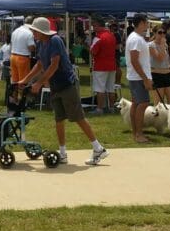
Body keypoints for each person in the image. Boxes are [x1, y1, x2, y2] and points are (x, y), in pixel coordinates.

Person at [21, 18, 109, 165]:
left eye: (34, 31)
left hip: (67, 85)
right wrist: (25, 79)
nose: (32, 33)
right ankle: (62, 153)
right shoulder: (40, 43)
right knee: (59, 119)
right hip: (56, 86)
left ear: (42, 31)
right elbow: (40, 63)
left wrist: (39, 83)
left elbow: (54, 65)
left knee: (78, 117)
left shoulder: (55, 41)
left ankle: (99, 148)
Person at [125, 14, 153, 143]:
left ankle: (136, 133)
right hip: (138, 77)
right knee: (143, 104)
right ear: (141, 23)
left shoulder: (136, 38)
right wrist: (145, 78)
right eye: (146, 22)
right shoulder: (136, 39)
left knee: (136, 104)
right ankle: (138, 134)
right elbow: (134, 60)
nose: (147, 25)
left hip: (136, 76)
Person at [88, 17, 117, 113]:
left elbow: (93, 51)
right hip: (112, 65)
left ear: (99, 26)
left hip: (100, 65)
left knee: (99, 88)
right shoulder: (111, 36)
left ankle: (99, 108)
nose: (93, 28)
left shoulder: (98, 37)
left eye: (94, 26)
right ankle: (112, 108)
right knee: (111, 88)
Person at [149, 27, 170, 104]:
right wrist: (162, 45)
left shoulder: (165, 45)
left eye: (164, 32)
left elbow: (168, 59)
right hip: (156, 75)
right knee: (159, 104)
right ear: (154, 33)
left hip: (167, 74)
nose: (162, 34)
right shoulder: (151, 45)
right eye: (160, 32)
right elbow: (159, 59)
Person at [9, 16, 36, 85]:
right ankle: (21, 95)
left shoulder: (15, 31)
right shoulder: (29, 33)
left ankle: (13, 94)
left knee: (14, 80)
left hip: (13, 56)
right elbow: (31, 48)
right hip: (23, 58)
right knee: (23, 80)